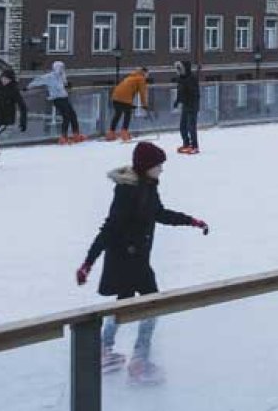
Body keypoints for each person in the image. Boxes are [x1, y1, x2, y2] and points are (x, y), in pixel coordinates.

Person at [76, 142, 209, 384]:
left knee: (125, 304)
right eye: (158, 165)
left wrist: (191, 221)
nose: (161, 169)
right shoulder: (127, 192)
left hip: (137, 258)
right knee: (151, 305)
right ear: (146, 166)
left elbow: (159, 213)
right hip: (126, 259)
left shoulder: (148, 186)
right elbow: (109, 228)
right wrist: (88, 262)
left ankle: (106, 350)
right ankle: (139, 359)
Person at [30, 61, 84, 144]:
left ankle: (76, 133)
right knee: (66, 116)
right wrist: (28, 87)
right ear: (56, 68)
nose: (62, 69)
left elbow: (64, 85)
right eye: (61, 67)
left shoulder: (62, 76)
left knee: (73, 115)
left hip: (64, 97)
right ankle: (63, 136)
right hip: (57, 99)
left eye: (63, 67)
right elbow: (38, 80)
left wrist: (67, 85)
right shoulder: (50, 77)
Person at [108, 68, 152, 143]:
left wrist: (131, 105)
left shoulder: (131, 76)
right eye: (147, 74)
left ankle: (111, 133)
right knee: (128, 114)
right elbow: (142, 93)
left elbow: (127, 89)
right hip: (124, 98)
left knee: (117, 114)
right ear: (144, 73)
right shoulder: (141, 79)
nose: (147, 76)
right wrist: (144, 105)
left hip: (115, 97)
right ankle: (124, 133)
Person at [173, 61, 200, 154]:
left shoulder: (192, 78)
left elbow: (194, 93)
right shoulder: (180, 78)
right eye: (177, 69)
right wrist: (177, 101)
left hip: (192, 105)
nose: (178, 71)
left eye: (180, 68)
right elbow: (180, 92)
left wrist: (190, 101)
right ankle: (186, 144)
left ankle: (195, 146)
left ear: (185, 69)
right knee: (182, 126)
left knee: (191, 127)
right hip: (185, 105)